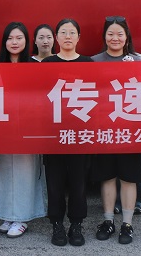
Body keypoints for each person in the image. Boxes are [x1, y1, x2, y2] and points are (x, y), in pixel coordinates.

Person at [91, 16, 141, 244]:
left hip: (130, 130)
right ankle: (108, 221)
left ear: (127, 37)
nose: (115, 38)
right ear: (104, 36)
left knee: (129, 178)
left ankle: (127, 224)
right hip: (104, 129)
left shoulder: (138, 60)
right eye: (111, 34)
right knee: (107, 176)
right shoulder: (94, 61)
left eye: (120, 34)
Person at [0, 22, 47, 238]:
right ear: (4, 41)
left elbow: (40, 98)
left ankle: (22, 217)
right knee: (1, 171)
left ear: (26, 41)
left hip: (26, 127)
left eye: (19, 38)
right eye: (10, 38)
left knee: (25, 172)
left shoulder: (34, 66)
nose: (14, 42)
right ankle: (6, 214)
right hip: (2, 126)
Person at [41, 18, 93, 247]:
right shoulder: (48, 63)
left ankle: (76, 224)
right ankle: (57, 224)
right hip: (54, 133)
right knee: (55, 182)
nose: (68, 36)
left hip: (80, 133)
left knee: (78, 182)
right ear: (57, 37)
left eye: (72, 32)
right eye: (63, 32)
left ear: (78, 37)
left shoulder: (88, 63)